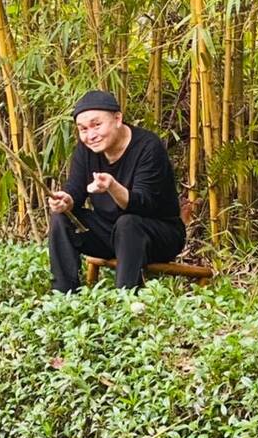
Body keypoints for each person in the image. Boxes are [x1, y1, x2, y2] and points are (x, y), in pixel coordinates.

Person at [48, 90, 185, 292]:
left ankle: (125, 298)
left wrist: (112, 186)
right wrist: (66, 200)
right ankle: (63, 294)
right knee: (62, 217)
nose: (90, 135)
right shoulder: (86, 149)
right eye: (83, 129)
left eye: (97, 125)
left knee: (128, 223)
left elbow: (143, 203)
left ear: (118, 119)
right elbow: (76, 189)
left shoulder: (148, 146)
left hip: (158, 235)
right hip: (111, 233)